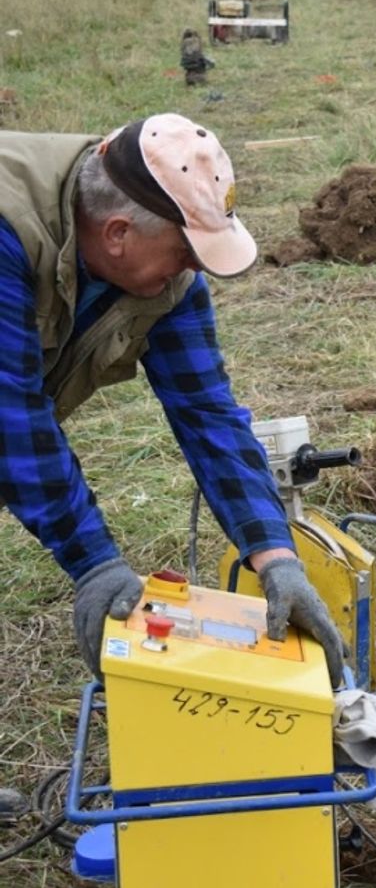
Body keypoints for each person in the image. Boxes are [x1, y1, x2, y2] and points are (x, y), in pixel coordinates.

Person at [0, 113, 346, 698]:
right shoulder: (12, 230)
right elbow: (12, 418)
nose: (193, 271)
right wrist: (93, 563)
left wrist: (276, 554)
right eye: (186, 252)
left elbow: (208, 413)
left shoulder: (165, 281)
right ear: (117, 234)